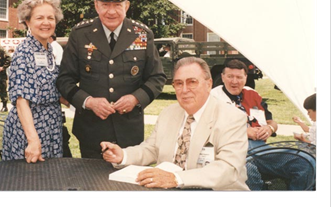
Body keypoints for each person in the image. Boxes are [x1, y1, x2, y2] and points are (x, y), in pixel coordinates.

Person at [57, 0, 167, 159]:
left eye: (117, 5)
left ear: (127, 6)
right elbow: (64, 80)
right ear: (96, 5)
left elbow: (157, 78)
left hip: (129, 131)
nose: (111, 11)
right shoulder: (80, 34)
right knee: (91, 184)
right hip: (91, 130)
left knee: (126, 185)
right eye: (105, 5)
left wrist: (135, 98)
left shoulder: (142, 34)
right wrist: (89, 102)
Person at [101, 57, 249, 190]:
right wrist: (123, 155)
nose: (184, 90)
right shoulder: (169, 113)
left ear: (208, 84)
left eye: (192, 82)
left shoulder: (232, 118)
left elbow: (227, 169)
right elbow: (151, 149)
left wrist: (176, 179)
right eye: (178, 83)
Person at [211, 59, 314, 190]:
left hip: (261, 150)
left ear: (245, 77)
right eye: (230, 76)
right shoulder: (213, 97)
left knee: (305, 161)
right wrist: (243, 131)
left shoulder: (252, 94)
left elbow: (272, 121)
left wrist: (269, 128)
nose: (234, 81)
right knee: (248, 171)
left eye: (239, 77)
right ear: (222, 77)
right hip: (232, 151)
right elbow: (209, 129)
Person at [2, 0, 72, 163]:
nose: (46, 23)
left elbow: (50, 91)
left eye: (50, 18)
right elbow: (21, 101)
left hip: (51, 125)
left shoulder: (47, 50)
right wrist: (33, 140)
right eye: (39, 18)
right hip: (30, 129)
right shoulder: (24, 52)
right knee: (30, 182)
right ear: (27, 21)